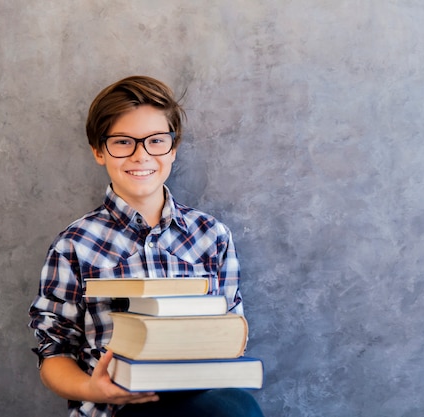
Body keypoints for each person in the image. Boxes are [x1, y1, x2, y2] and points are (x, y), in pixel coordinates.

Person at [28, 75, 264, 417]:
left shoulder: (212, 236)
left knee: (236, 407)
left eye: (155, 141)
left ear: (173, 147)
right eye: (123, 142)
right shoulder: (74, 245)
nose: (141, 156)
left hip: (199, 400)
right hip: (116, 407)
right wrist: (91, 388)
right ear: (98, 150)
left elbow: (228, 334)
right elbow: (54, 351)